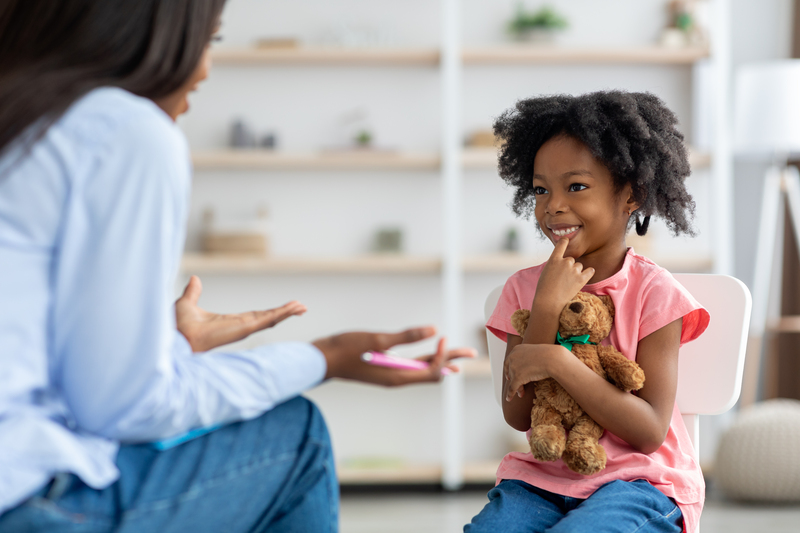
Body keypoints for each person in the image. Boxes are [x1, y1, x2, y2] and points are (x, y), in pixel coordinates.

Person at [0, 1, 475, 531]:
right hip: (22, 501)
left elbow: (46, 363)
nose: (204, 70)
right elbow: (122, 409)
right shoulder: (121, 129)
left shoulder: (23, 119)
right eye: (212, 39)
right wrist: (325, 356)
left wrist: (172, 348)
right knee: (294, 432)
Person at [465, 91, 711, 533]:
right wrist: (544, 307)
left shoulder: (655, 292)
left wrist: (559, 361)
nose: (553, 205)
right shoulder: (522, 288)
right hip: (543, 481)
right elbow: (519, 416)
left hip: (641, 483)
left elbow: (650, 430)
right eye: (541, 189)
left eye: (576, 186)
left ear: (631, 195)